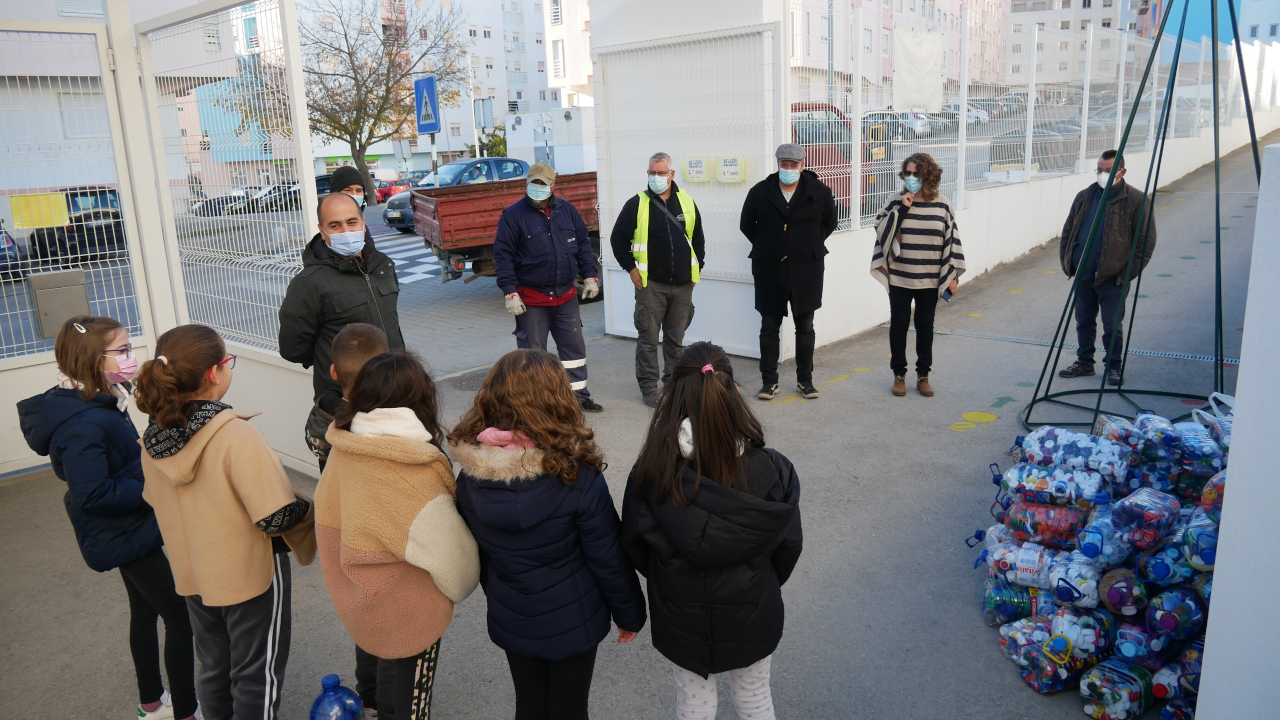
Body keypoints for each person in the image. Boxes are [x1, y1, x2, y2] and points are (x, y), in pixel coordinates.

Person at [17, 315, 198, 720]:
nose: (132, 358)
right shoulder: (82, 421)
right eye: (122, 351)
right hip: (123, 532)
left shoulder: (100, 399)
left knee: (146, 610)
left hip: (131, 528)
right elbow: (92, 492)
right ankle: (186, 711)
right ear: (91, 360)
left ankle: (152, 704)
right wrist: (155, 485)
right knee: (179, 614)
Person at [449, 349, 646, 720]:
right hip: (576, 619)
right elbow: (607, 557)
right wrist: (630, 614)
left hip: (513, 614)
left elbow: (482, 554)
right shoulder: (577, 476)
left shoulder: (471, 476)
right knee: (570, 709)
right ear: (557, 399)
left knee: (530, 705)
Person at [134, 324, 317, 720]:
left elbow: (153, 499)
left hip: (192, 572)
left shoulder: (152, 439)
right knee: (257, 673)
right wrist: (315, 511)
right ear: (215, 373)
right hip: (249, 576)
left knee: (214, 666)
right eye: (227, 361)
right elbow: (274, 516)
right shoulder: (235, 435)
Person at [621, 341, 803, 720]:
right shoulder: (774, 468)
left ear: (672, 395)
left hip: (679, 611)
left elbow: (635, 543)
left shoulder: (651, 471)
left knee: (693, 704)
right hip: (753, 605)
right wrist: (760, 579)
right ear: (733, 392)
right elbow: (788, 546)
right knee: (754, 697)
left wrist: (666, 575)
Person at [316, 351, 480, 720]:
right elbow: (457, 567)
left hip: (359, 597)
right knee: (411, 700)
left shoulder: (344, 447)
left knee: (384, 677)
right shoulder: (412, 469)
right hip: (411, 610)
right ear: (420, 398)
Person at [280, 193, 404, 470]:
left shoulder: (382, 265)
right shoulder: (309, 283)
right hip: (347, 409)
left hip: (397, 397)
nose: (346, 231)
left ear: (363, 222)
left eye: (351, 222)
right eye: (335, 226)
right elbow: (293, 348)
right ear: (322, 231)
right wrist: (336, 365)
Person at [305, 322, 392, 718]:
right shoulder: (389, 421)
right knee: (394, 626)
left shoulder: (322, 416)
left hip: (345, 533)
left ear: (334, 373)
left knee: (364, 620)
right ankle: (391, 702)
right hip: (385, 540)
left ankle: (368, 699)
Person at [493, 161, 604, 413]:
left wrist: (590, 276)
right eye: (534, 183)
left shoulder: (568, 211)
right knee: (532, 356)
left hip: (565, 297)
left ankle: (578, 398)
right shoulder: (512, 216)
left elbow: (584, 245)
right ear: (527, 183)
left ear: (553, 185)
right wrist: (510, 292)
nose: (538, 187)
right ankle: (536, 405)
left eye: (543, 183)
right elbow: (503, 256)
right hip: (532, 300)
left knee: (574, 350)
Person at [739, 143, 837, 401]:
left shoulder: (820, 191)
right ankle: (769, 382)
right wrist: (769, 246)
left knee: (805, 326)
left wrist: (806, 246)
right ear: (778, 164)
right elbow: (747, 225)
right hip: (770, 268)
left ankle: (806, 381)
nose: (789, 169)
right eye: (785, 165)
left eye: (794, 165)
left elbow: (830, 223)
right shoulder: (760, 191)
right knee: (769, 326)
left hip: (807, 269)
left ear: (802, 165)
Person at [608, 151, 706, 407]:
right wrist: (631, 269)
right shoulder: (637, 203)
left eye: (661, 173)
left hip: (683, 286)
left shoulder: (686, 202)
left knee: (676, 341)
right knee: (648, 340)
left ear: (671, 174)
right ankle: (650, 389)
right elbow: (618, 238)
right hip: (651, 285)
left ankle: (674, 386)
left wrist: (696, 271)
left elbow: (699, 241)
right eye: (652, 172)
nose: (656, 177)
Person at [1057, 149, 1158, 386]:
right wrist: (1069, 261)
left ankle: (1113, 367)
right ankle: (1084, 363)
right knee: (1083, 320)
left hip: (1114, 278)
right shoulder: (1085, 196)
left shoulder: (1136, 200)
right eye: (1100, 170)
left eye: (1109, 170)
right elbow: (1068, 231)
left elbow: (1145, 243)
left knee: (1112, 325)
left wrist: (1126, 274)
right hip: (1083, 273)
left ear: (1122, 172)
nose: (1103, 175)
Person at [871, 152, 965, 398]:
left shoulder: (943, 204)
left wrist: (952, 277)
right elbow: (881, 229)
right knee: (899, 326)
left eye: (917, 173)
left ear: (928, 175)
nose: (911, 178)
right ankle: (899, 375)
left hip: (929, 279)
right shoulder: (895, 200)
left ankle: (923, 376)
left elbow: (951, 241)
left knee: (925, 328)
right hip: (900, 277)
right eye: (908, 173)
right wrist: (902, 208)